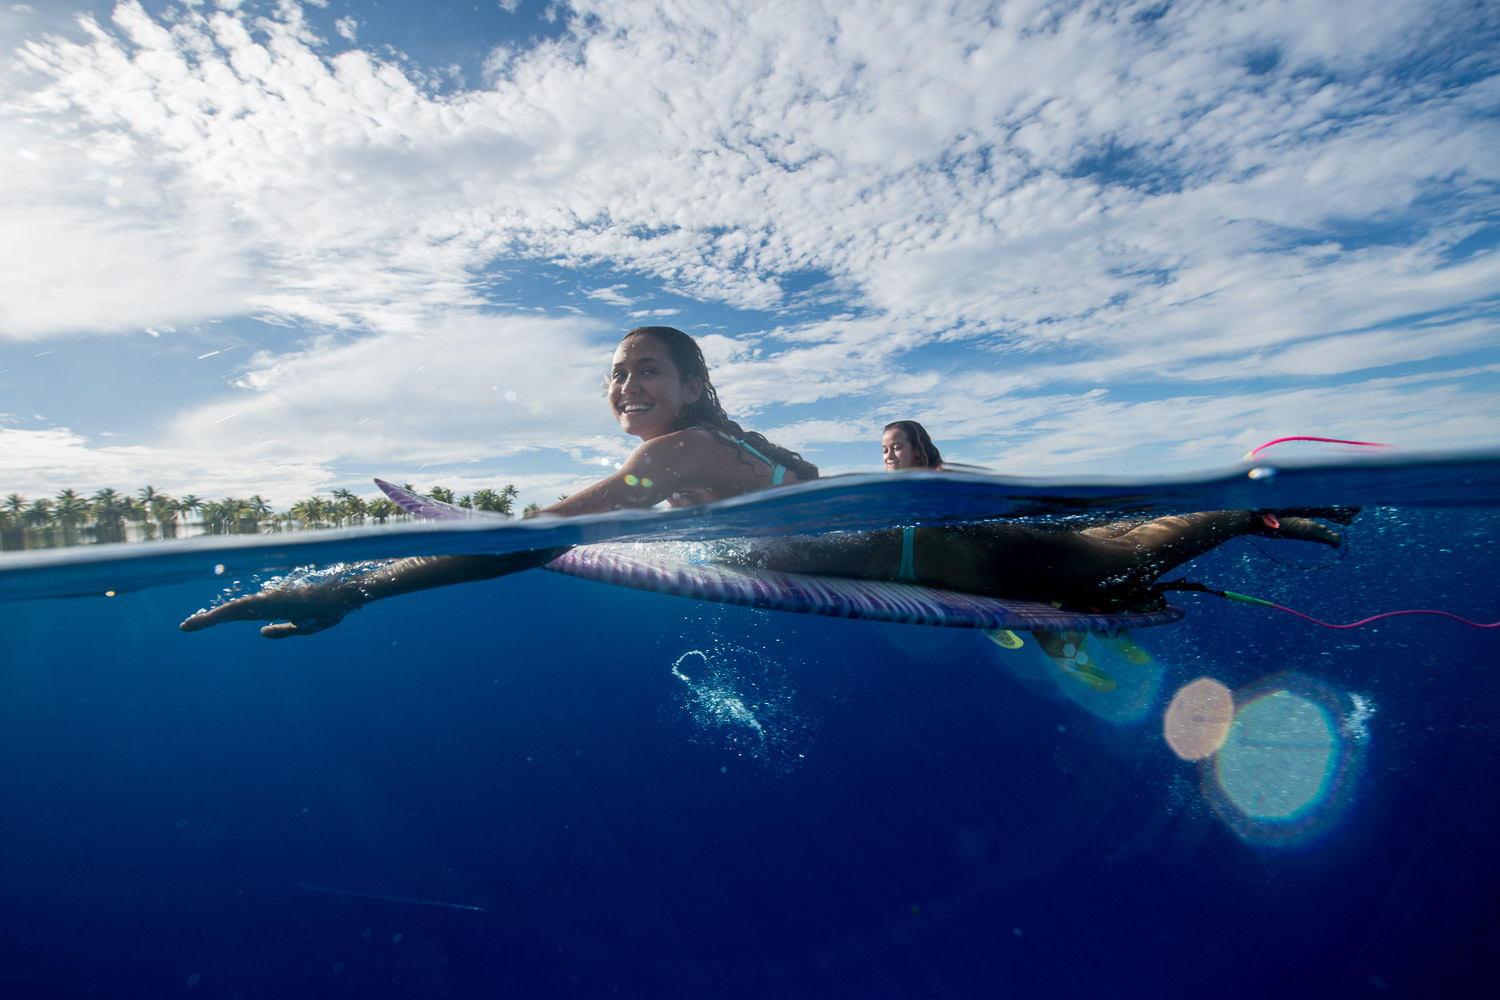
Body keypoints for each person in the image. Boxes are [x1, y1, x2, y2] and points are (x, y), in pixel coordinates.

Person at [181, 326, 815, 637]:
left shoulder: (680, 450)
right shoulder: (730, 447)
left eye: (647, 371)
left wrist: (353, 588)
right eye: (617, 375)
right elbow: (805, 482)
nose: (627, 389)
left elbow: (538, 537)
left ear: (692, 389)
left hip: (905, 556)